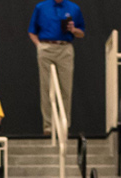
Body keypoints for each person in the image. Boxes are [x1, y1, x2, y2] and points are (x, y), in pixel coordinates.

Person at [29, 0, 85, 136]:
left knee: (66, 88)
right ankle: (48, 126)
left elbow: (81, 33)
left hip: (65, 48)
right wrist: (39, 46)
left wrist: (73, 29)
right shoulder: (41, 7)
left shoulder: (74, 8)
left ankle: (64, 125)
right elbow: (32, 30)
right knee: (46, 87)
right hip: (46, 46)